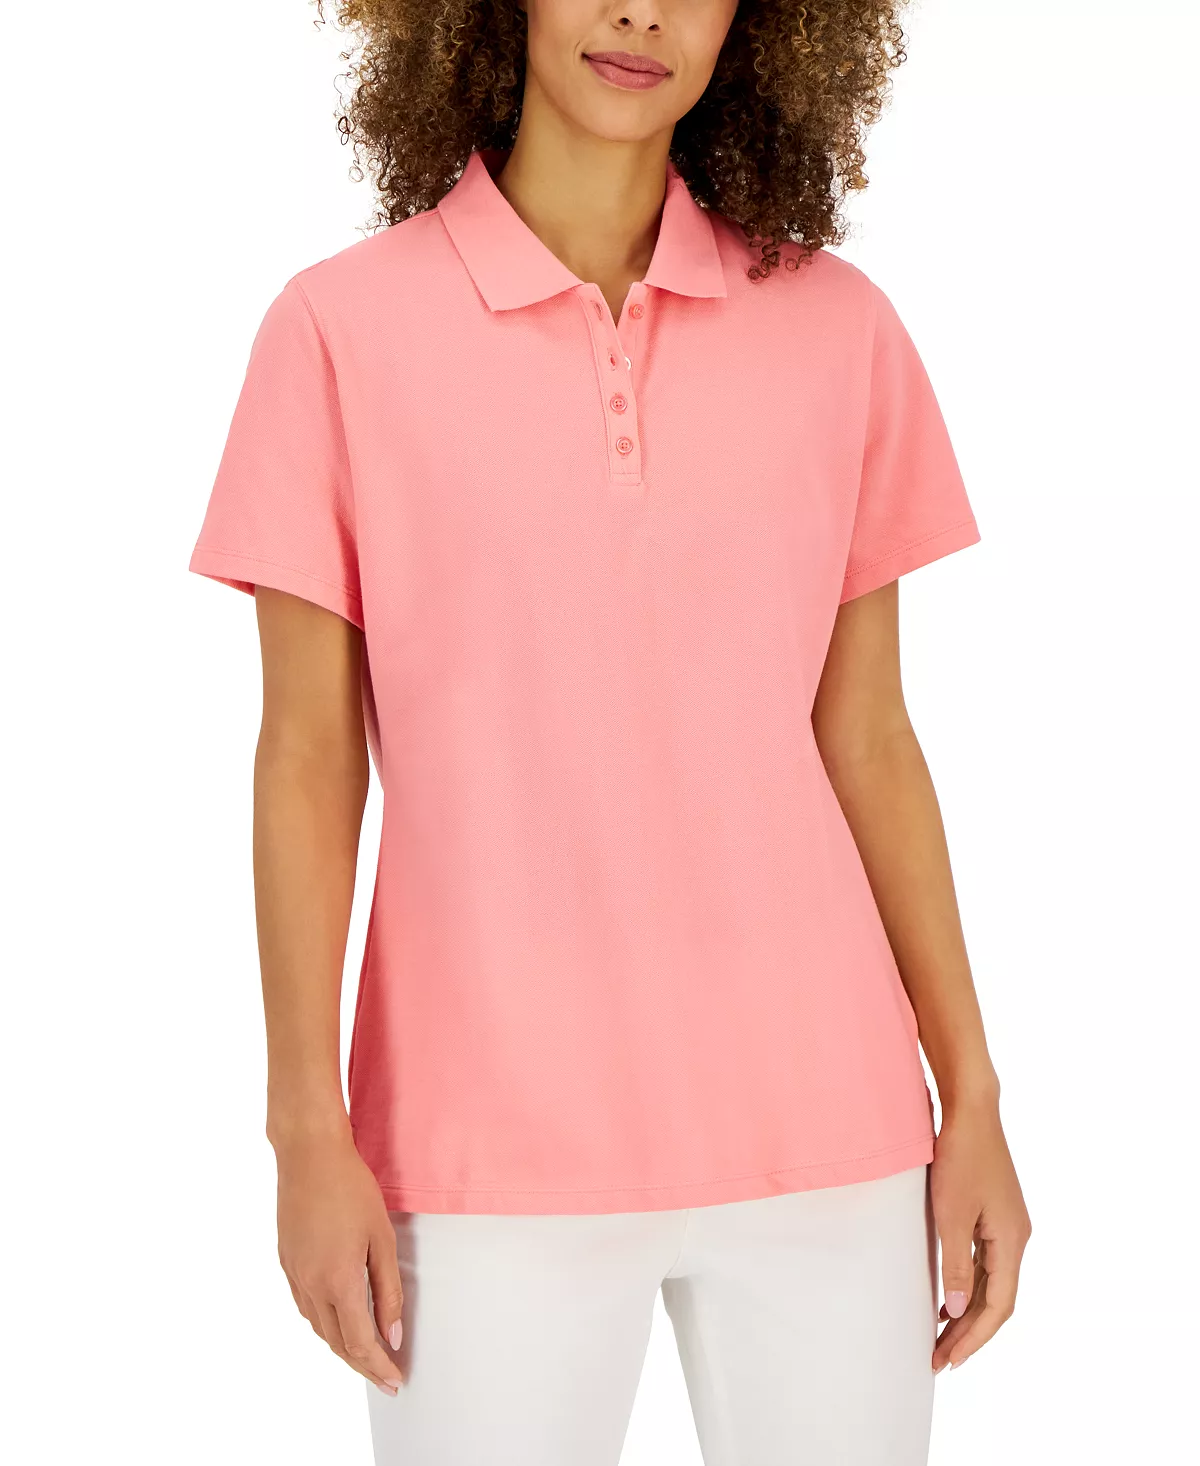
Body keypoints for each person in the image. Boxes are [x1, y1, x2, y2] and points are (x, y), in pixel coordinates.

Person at [189, 3, 1031, 1462]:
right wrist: (304, 1128)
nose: (641, 11)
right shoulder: (336, 331)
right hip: (482, 1142)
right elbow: (309, 761)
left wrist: (973, 1097)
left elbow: (871, 740)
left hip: (824, 1124)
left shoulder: (838, 328)